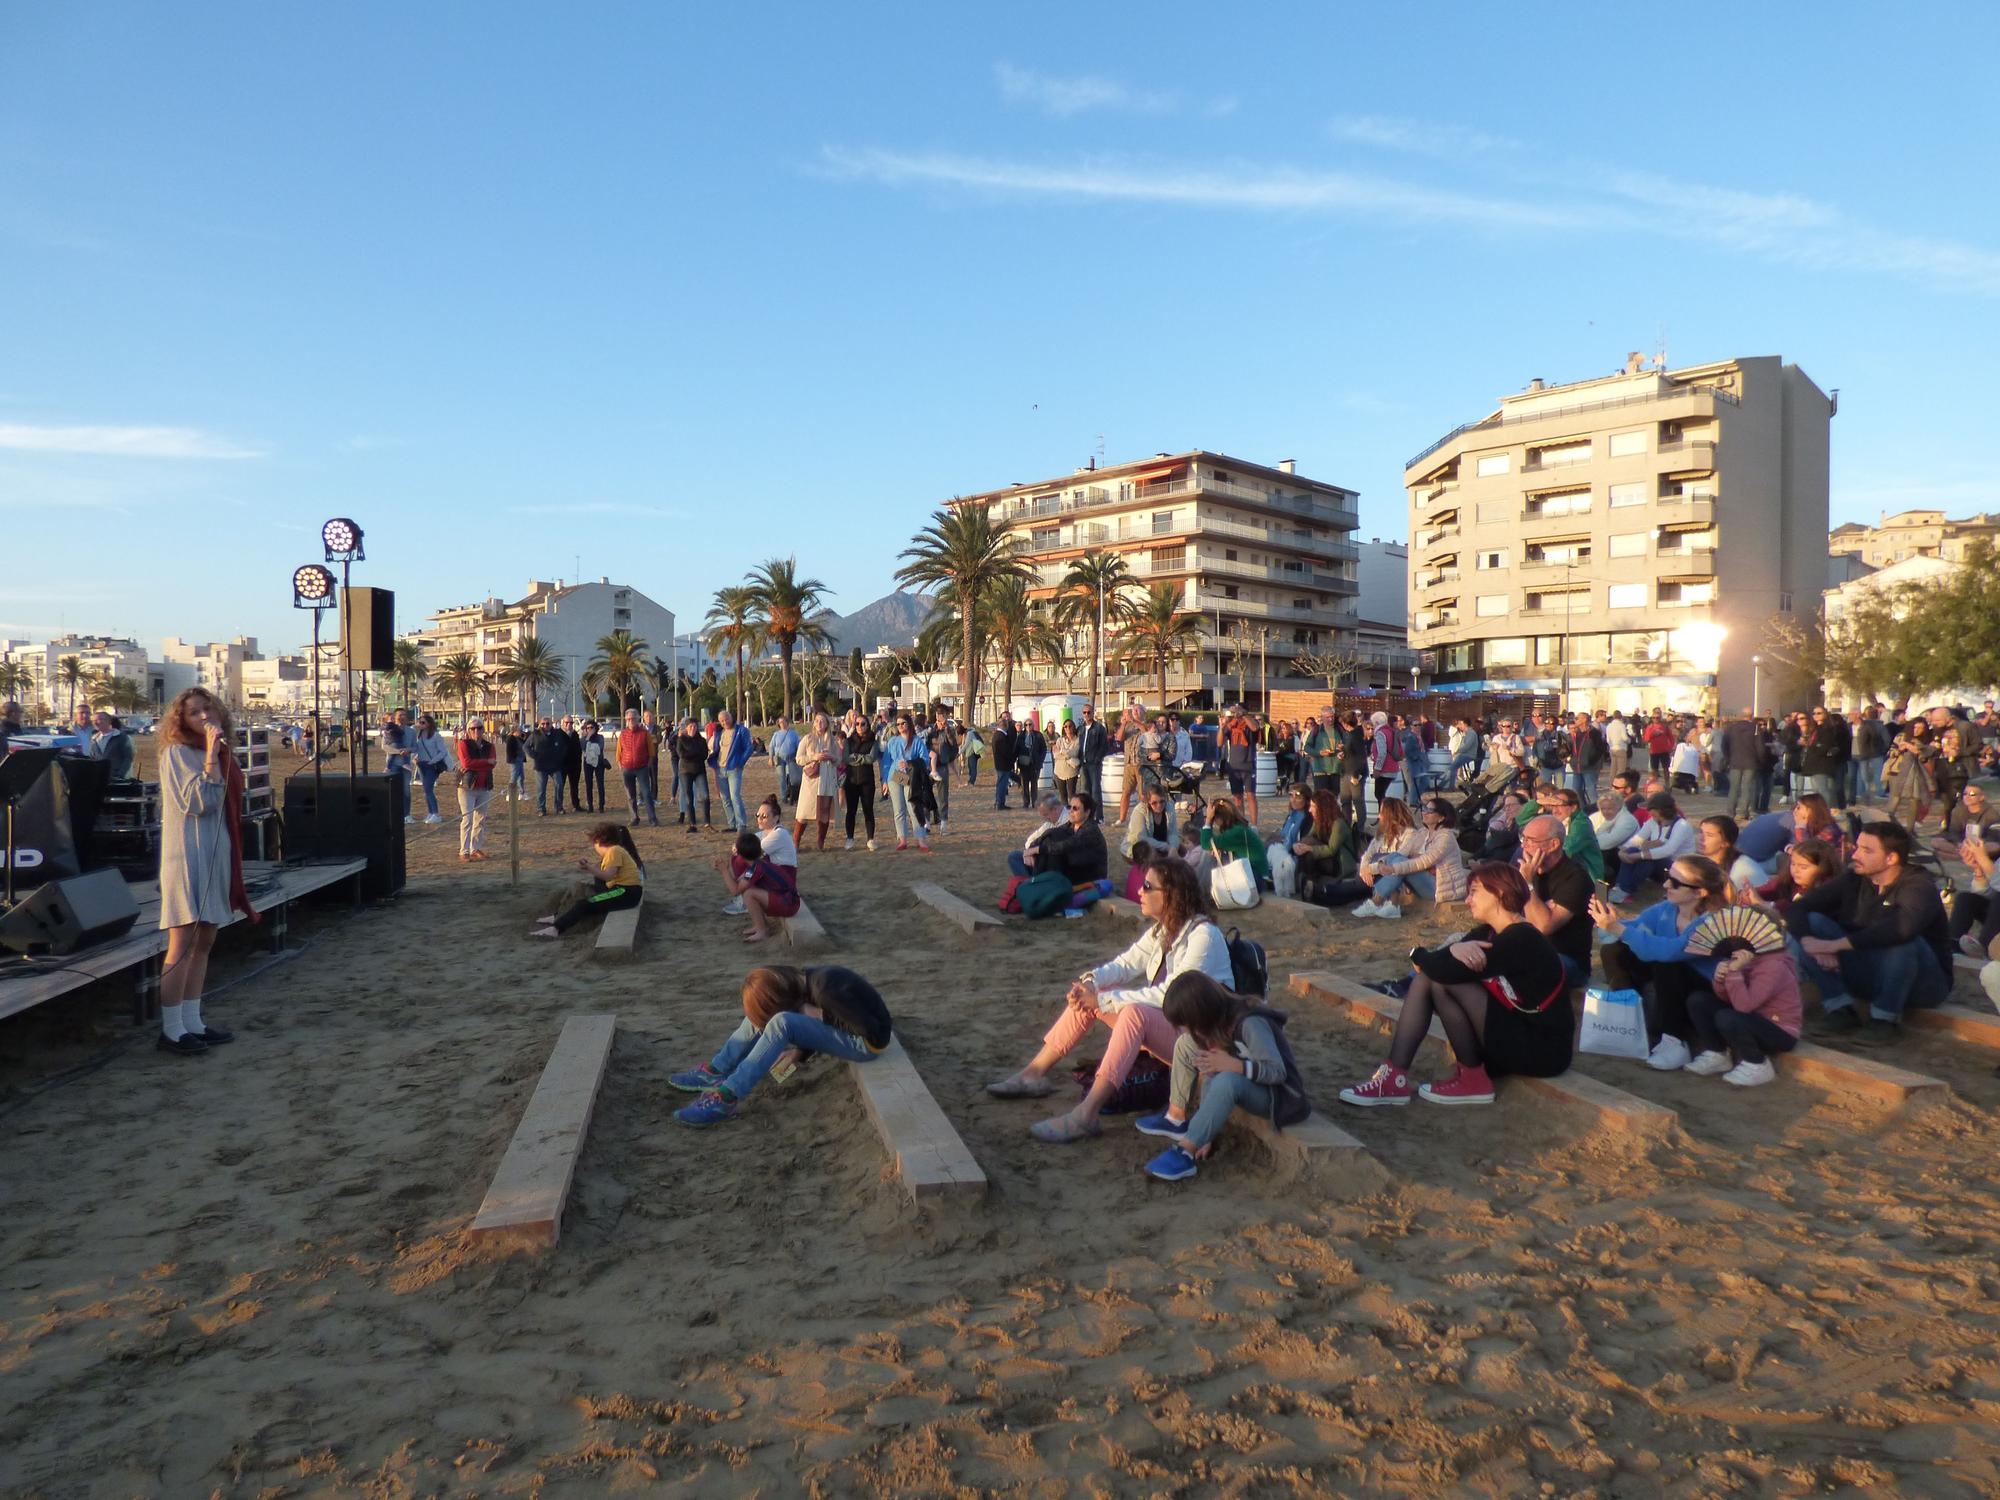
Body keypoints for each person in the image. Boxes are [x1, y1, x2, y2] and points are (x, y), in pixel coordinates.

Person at [986, 858, 1233, 1142]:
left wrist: (1103, 1001)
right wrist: (1090, 983)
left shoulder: (1203, 935)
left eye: (1148, 886)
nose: (1139, 891)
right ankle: (1033, 1074)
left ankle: (1086, 1114)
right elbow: (1125, 964)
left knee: (1132, 1013)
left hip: (1200, 1039)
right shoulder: (1165, 929)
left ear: (1172, 895)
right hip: (1174, 1029)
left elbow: (1170, 995)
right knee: (1097, 996)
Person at [1339, 863, 1575, 1106]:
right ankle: (1407, 1078)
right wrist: (1450, 949)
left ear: (1500, 894)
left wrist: (1432, 954)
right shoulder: (1489, 932)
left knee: (1439, 980)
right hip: (1515, 1030)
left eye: (1474, 891)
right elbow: (1433, 964)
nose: (1468, 899)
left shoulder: (1521, 939)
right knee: (1432, 980)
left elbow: (1443, 969)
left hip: (1543, 1050)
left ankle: (1402, 1079)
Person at [1134, 971, 1312, 1182]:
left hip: (1282, 1098)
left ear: (1200, 1014)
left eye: (1187, 1024)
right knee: (1191, 1051)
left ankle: (1185, 1152)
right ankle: (1179, 1120)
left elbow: (1277, 1072)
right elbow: (1212, 1077)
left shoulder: (1250, 1023)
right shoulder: (1218, 1025)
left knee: (1228, 1080)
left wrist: (1235, 1065)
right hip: (1251, 1081)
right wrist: (1204, 1131)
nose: (1185, 1030)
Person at [670, 965, 893, 1125]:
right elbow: (818, 1025)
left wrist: (820, 1015)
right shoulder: (803, 982)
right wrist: (800, 1052)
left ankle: (727, 1096)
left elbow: (868, 1028)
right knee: (758, 1014)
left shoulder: (825, 989)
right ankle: (716, 1070)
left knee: (780, 1022)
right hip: (851, 1032)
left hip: (867, 1044)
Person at [1793, 822, 1951, 1046]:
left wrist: (1834, 945)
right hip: (1869, 971)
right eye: (1857, 847)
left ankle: (1884, 1020)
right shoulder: (1855, 878)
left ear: (1891, 858)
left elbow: (1901, 928)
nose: (1855, 855)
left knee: (1902, 941)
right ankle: (1840, 1009)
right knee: (1812, 923)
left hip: (1922, 983)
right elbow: (1799, 908)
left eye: (1867, 851)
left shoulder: (1918, 885)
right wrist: (1810, 943)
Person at [153, 688, 249, 1056]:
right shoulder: (177, 753)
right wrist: (211, 755)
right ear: (182, 720)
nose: (204, 717)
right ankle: (171, 1029)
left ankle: (192, 1020)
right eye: (194, 713)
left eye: (208, 709)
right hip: (187, 856)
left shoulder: (221, 754)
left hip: (215, 852)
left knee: (205, 940)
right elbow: (199, 802)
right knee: (182, 943)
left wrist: (215, 754)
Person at [1589, 854, 1729, 1070]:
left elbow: (1671, 951)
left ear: (1700, 892)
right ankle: (1628, 1020)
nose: (1665, 884)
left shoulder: (1713, 921)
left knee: (1666, 963)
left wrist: (1618, 928)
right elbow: (1634, 929)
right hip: (1671, 977)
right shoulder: (1666, 909)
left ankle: (1675, 1041)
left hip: (1706, 985)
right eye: (1667, 876)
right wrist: (1610, 922)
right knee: (1614, 951)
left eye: (1675, 882)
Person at [1682, 942, 1803, 1087]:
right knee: (1699, 1001)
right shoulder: (1745, 960)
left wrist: (1734, 972)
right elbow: (1729, 998)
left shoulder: (1775, 966)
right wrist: (1720, 979)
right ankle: (1717, 1054)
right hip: (1752, 1019)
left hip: (1779, 1031)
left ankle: (1757, 1064)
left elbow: (1744, 1006)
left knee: (1726, 1017)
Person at [1516, 813, 1596, 988]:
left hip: (1567, 960)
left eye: (1530, 840)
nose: (1523, 845)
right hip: (1529, 947)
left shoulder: (1576, 878)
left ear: (1553, 844)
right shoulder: (1529, 870)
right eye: (1523, 838)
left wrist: (1527, 885)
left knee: (1526, 967)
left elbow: (1544, 926)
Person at [531, 822, 644, 938]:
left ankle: (556, 928)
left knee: (584, 904)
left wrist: (589, 868)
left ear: (598, 842)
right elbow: (602, 873)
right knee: (593, 885)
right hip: (624, 890)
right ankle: (559, 915)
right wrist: (589, 867)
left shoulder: (614, 851)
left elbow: (608, 876)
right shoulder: (616, 850)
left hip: (626, 892)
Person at [1367, 797, 1468, 914]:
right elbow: (1401, 853)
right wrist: (1376, 866)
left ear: (1441, 818)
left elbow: (1423, 862)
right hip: (1426, 880)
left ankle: (1377, 902)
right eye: (1424, 808)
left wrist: (1393, 868)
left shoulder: (1445, 837)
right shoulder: (1423, 833)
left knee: (1400, 863)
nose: (1424, 812)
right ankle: (1390, 906)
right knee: (1396, 857)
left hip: (1441, 888)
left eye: (1430, 811)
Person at [713, 829, 800, 943]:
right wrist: (726, 868)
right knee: (747, 890)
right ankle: (761, 925)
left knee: (749, 893)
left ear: (740, 854)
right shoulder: (758, 863)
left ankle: (762, 930)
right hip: (789, 899)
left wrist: (724, 871)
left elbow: (735, 891)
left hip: (789, 903)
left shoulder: (755, 869)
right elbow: (739, 882)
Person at [1609, 793, 1696, 901]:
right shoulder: (1653, 822)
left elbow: (1667, 850)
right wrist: (1623, 850)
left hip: (1676, 868)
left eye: (1652, 809)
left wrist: (1638, 856)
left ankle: (1625, 889)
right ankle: (1621, 887)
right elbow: (1637, 839)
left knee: (1647, 859)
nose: (1649, 811)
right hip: (1658, 863)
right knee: (1632, 851)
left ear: (1663, 811)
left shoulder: (1682, 826)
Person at [1351, 796, 1418, 918]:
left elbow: (1399, 857)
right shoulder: (1383, 834)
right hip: (1375, 877)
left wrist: (1369, 869)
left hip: (1396, 876)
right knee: (1354, 888)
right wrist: (1364, 869)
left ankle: (1388, 904)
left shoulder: (1410, 834)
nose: (1379, 816)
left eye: (1381, 813)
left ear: (1391, 816)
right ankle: (1321, 891)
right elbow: (1367, 854)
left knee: (1384, 858)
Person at [1752, 837, 1842, 917]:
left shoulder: (1826, 891)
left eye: (1803, 867)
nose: (1796, 870)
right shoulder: (1791, 881)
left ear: (1824, 868)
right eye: (1793, 864)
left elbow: (1795, 908)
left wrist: (1765, 905)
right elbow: (1771, 888)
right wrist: (1750, 893)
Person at [789, 710, 839, 850]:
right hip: (811, 780)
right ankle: (796, 841)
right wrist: (814, 757)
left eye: (822, 721)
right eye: (817, 720)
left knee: (824, 813)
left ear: (827, 723)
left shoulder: (831, 740)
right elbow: (799, 759)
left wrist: (831, 757)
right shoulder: (807, 738)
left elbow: (838, 759)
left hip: (827, 780)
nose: (819, 723)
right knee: (804, 812)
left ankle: (820, 842)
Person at [883, 711, 932, 853]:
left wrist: (910, 763)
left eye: (903, 723)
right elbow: (886, 762)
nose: (900, 726)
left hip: (911, 777)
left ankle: (920, 839)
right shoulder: (893, 741)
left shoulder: (917, 741)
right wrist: (884, 780)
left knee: (913, 808)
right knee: (899, 810)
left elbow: (925, 760)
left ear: (909, 723)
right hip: (895, 776)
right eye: (897, 724)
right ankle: (902, 839)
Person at [1200, 796, 1270, 888]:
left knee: (1207, 855)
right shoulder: (1239, 828)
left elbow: (1205, 843)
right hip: (1255, 874)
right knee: (1214, 853)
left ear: (1220, 818)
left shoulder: (1235, 833)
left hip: (1255, 878)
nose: (1215, 823)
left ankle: (1200, 888)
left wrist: (1208, 820)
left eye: (1215, 819)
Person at [1883, 720, 1938, 831]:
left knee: (1915, 800)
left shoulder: (1927, 741)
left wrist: (1917, 750)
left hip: (1917, 773)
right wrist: (1900, 749)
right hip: (1898, 772)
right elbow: (1890, 753)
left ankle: (1910, 829)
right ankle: (1885, 825)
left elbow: (1926, 757)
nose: (1917, 730)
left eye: (1921, 728)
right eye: (1915, 727)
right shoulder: (1901, 736)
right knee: (1895, 798)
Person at [456, 718, 496, 862]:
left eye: (479, 728)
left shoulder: (489, 746)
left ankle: (475, 848)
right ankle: (464, 850)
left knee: (481, 818)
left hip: (484, 785)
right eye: (472, 729)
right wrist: (485, 763)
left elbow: (493, 764)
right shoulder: (463, 744)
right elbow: (466, 762)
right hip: (467, 786)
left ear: (483, 730)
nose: (476, 731)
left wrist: (476, 765)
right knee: (467, 819)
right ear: (468, 731)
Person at [1545, 786, 1602, 883]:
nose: (1555, 810)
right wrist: (1537, 803)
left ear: (1573, 807)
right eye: (1553, 805)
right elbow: (1521, 819)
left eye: (1560, 805)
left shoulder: (1581, 823)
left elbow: (1567, 848)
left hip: (1590, 876)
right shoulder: (1560, 820)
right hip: (1572, 869)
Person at [841, 709, 879, 851]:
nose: (860, 726)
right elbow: (845, 758)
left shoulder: (873, 741)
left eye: (863, 724)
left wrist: (856, 757)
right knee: (851, 810)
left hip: (867, 781)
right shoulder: (849, 741)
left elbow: (872, 758)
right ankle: (850, 838)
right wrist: (861, 758)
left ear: (867, 725)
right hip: (851, 780)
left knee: (868, 810)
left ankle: (870, 839)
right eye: (857, 724)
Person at [712, 708, 752, 832]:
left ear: (731, 717)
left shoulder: (741, 731)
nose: (725, 722)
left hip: (734, 768)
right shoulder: (719, 733)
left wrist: (740, 763)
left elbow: (749, 748)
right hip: (721, 768)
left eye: (726, 719)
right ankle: (732, 823)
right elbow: (716, 749)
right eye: (722, 721)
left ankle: (741, 824)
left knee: (735, 796)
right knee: (725, 798)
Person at [1010, 790, 1067, 877]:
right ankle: (1031, 884)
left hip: (1056, 862)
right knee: (1014, 856)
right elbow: (1031, 839)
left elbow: (1060, 846)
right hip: (1043, 857)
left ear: (1055, 809)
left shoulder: (1069, 820)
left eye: (1045, 814)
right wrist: (1028, 853)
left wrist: (1035, 851)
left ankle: (1032, 885)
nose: (1045, 818)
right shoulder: (1050, 822)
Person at [618, 709, 658, 826]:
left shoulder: (644, 733)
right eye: (629, 719)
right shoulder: (623, 734)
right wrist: (620, 765)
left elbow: (651, 752)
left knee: (646, 793)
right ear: (626, 720)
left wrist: (647, 764)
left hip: (642, 768)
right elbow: (619, 752)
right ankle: (634, 818)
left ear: (637, 719)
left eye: (633, 718)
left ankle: (652, 818)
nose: (631, 721)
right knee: (630, 795)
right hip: (627, 768)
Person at [1124, 782, 1180, 862]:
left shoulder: (1169, 807)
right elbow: (1142, 838)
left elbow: (1173, 833)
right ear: (1148, 802)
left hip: (1163, 845)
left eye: (1162, 801)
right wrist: (1167, 847)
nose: (1159, 805)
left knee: (1182, 849)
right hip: (1140, 847)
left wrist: (1173, 848)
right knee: (1153, 856)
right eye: (1154, 803)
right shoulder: (1139, 811)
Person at [674, 717, 712, 830]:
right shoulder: (681, 739)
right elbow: (682, 755)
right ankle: (692, 823)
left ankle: (707, 821)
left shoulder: (701, 740)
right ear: (686, 727)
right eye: (690, 726)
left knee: (705, 796)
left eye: (695, 726)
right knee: (689, 797)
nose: (693, 728)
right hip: (685, 771)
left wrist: (691, 753)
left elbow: (705, 754)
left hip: (699, 770)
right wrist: (695, 753)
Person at [527, 716, 568, 816]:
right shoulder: (535, 734)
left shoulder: (558, 733)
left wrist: (561, 756)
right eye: (543, 724)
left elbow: (566, 744)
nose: (545, 725)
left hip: (555, 766)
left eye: (548, 723)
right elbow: (526, 746)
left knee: (559, 785)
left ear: (551, 724)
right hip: (541, 766)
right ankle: (541, 808)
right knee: (541, 788)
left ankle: (559, 807)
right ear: (540, 724)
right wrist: (534, 756)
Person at [926, 708, 957, 834]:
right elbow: (925, 744)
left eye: (943, 715)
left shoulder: (950, 730)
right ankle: (926, 823)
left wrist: (946, 730)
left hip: (942, 766)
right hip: (929, 766)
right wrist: (934, 730)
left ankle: (943, 824)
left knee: (943, 797)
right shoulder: (930, 730)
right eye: (939, 715)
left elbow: (953, 744)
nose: (941, 718)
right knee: (926, 795)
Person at [383, 708, 415, 822]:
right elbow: (385, 747)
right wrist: (399, 751)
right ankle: (393, 814)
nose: (402, 717)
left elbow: (415, 747)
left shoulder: (411, 731)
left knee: (406, 790)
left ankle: (407, 814)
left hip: (406, 765)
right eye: (400, 715)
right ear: (395, 717)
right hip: (393, 765)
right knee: (392, 791)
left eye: (404, 715)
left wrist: (409, 750)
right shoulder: (389, 729)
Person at [1076, 702, 1108, 814]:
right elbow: (1077, 744)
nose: (1086, 714)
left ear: (1093, 713)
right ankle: (1087, 815)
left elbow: (1104, 746)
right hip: (1083, 763)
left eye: (1089, 712)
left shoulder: (1099, 728)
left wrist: (1097, 759)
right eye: (1084, 712)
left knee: (1095, 791)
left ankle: (1098, 816)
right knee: (1084, 791)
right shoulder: (1080, 729)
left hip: (1094, 764)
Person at [88, 711, 135, 780]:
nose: (95, 723)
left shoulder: (121, 737)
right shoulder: (94, 739)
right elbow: (92, 759)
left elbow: (128, 757)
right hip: (99, 779)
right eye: (93, 720)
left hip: (117, 779)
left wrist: (120, 775)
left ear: (109, 721)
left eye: (99, 719)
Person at [768, 714, 801, 807]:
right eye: (780, 722)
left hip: (791, 758)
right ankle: (783, 797)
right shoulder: (776, 734)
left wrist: (798, 756)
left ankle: (791, 795)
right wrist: (770, 758)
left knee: (791, 778)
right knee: (781, 778)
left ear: (787, 722)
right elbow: (771, 746)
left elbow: (798, 746)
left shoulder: (793, 734)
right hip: (779, 758)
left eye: (783, 721)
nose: (782, 723)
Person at [577, 719, 608, 813]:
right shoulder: (583, 739)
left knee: (600, 784)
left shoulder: (600, 737)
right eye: (588, 728)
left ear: (595, 728)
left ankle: (601, 805)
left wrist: (590, 746)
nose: (589, 729)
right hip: (587, 763)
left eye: (591, 727)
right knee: (588, 784)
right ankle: (590, 805)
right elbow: (583, 748)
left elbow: (599, 748)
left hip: (599, 762)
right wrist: (588, 737)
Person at [1015, 716, 1047, 803]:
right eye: (1026, 725)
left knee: (1034, 784)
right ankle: (1026, 802)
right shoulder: (1021, 736)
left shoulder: (1038, 735)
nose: (1028, 726)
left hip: (1035, 763)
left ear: (1033, 725)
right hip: (1023, 763)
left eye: (1030, 724)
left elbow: (1043, 749)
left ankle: (1034, 802)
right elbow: (1016, 749)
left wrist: (1040, 761)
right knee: (1024, 784)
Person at [1051, 719, 1082, 808]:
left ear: (1073, 727)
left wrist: (1061, 751)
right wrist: (1067, 755)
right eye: (1065, 726)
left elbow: (1075, 753)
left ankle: (1073, 814)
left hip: (1071, 771)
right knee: (1063, 796)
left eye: (1069, 726)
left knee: (1072, 795)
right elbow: (1056, 755)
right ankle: (1065, 817)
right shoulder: (1059, 740)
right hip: (1059, 771)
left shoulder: (1078, 740)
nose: (1067, 728)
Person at [990, 713, 1018, 811]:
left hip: (1000, 764)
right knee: (1002, 784)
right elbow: (1006, 752)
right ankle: (1000, 804)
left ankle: (998, 802)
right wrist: (1013, 757)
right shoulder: (1000, 736)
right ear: (1005, 726)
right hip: (1003, 764)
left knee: (1000, 783)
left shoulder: (997, 735)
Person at [559, 714, 585, 813]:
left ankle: (576, 805)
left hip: (575, 766)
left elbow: (578, 749)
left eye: (571, 722)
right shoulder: (559, 734)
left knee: (574, 786)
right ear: (563, 723)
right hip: (562, 765)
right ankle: (559, 806)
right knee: (560, 786)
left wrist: (578, 762)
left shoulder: (575, 735)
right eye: (567, 722)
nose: (569, 725)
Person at [503, 722, 526, 801]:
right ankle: (509, 794)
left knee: (521, 777)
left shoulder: (519, 738)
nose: (520, 732)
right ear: (515, 731)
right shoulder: (511, 738)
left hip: (520, 759)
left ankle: (521, 793)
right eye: (519, 730)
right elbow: (509, 750)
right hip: (515, 760)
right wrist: (512, 759)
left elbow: (524, 743)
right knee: (514, 777)